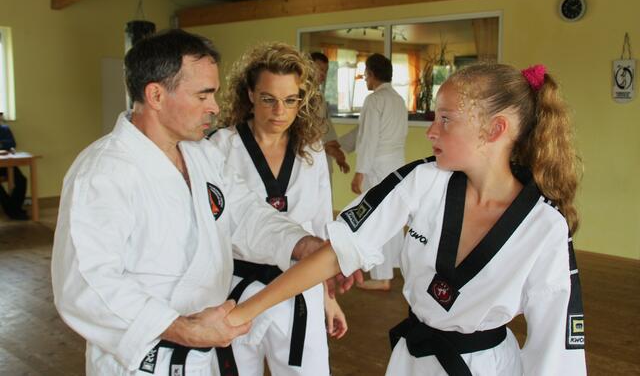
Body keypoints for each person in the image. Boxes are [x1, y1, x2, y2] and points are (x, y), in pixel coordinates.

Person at [225, 63, 587, 375]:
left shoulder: (544, 226)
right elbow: (336, 253)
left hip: (486, 366)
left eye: (446, 120)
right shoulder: (423, 181)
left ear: (495, 130)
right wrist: (241, 314)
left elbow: (557, 347)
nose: (431, 131)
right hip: (415, 359)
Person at [50, 29, 336, 376]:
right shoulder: (103, 172)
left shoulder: (201, 155)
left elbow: (245, 215)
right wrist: (181, 328)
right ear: (156, 95)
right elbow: (86, 285)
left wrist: (301, 244)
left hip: (202, 353)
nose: (214, 107)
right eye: (203, 95)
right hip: (144, 360)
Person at [210, 43, 347, 376]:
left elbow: (320, 224)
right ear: (250, 94)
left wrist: (328, 297)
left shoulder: (311, 151)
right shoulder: (221, 146)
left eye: (290, 100)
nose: (279, 112)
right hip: (237, 289)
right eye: (268, 99)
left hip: (300, 287)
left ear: (302, 100)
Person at [351, 53, 408, 291]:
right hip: (396, 164)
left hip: (377, 166)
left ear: (372, 74)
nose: (365, 79)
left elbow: (369, 139)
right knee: (393, 216)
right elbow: (365, 134)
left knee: (376, 217)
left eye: (366, 74)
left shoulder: (374, 100)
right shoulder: (398, 100)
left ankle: (382, 276)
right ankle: (395, 266)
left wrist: (360, 172)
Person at [310, 52, 350, 175]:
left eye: (326, 71)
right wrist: (327, 147)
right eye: (320, 69)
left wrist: (335, 148)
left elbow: (325, 124)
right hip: (309, 156)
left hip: (322, 154)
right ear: (308, 66)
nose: (323, 74)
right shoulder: (300, 95)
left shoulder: (319, 96)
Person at [0, 112, 28, 220]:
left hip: (7, 164)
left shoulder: (5, 129)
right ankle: (13, 211)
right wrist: (4, 144)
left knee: (22, 180)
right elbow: (7, 144)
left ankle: (13, 209)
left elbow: (12, 143)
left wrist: (3, 144)